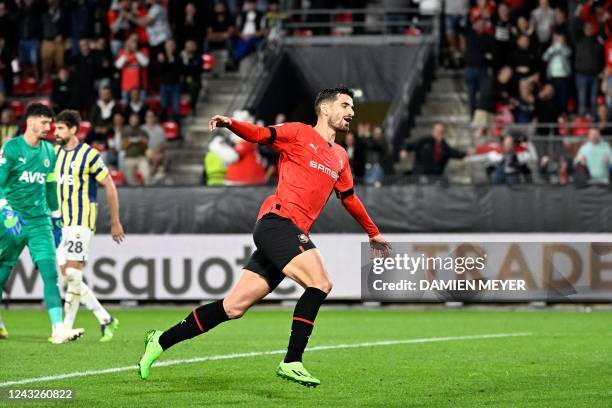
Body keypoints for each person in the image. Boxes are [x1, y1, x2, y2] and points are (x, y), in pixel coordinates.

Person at [138, 87, 391, 387]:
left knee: (233, 307)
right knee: (320, 283)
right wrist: (231, 123)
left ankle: (160, 340)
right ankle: (292, 361)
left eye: (353, 107)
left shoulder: (340, 157)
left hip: (289, 233)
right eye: (345, 105)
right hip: (277, 223)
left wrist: (373, 233)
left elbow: (349, 198)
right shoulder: (298, 133)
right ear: (325, 109)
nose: (351, 112)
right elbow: (260, 134)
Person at [0, 103, 84, 343]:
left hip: (39, 222)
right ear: (31, 121)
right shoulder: (12, 148)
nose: (50, 127)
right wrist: (6, 213)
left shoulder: (49, 152)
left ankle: (58, 328)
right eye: (45, 122)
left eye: (51, 123)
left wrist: (57, 218)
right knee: (2, 272)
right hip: (11, 221)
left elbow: (50, 187)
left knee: (50, 273)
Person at [54, 110, 125, 341]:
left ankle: (65, 328)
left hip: (81, 221)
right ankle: (105, 318)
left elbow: (110, 186)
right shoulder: (54, 154)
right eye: (56, 128)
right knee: (68, 278)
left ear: (74, 129)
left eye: (61, 128)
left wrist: (115, 221)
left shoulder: (89, 155)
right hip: (60, 224)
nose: (56, 132)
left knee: (73, 273)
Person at [401, 123, 468, 177]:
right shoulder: (424, 141)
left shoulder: (444, 146)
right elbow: (408, 145)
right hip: (420, 175)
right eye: (437, 131)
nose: (439, 133)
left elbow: (456, 153)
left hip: (435, 178)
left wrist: (467, 153)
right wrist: (404, 150)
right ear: (433, 131)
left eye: (441, 132)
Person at [122, 112, 151, 185]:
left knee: (147, 175)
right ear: (129, 120)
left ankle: (148, 192)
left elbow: (146, 143)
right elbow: (123, 145)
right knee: (130, 181)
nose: (134, 121)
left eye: (135, 119)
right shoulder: (126, 130)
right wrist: (131, 141)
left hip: (141, 157)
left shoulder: (142, 131)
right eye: (132, 119)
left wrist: (140, 140)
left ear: (138, 120)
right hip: (130, 158)